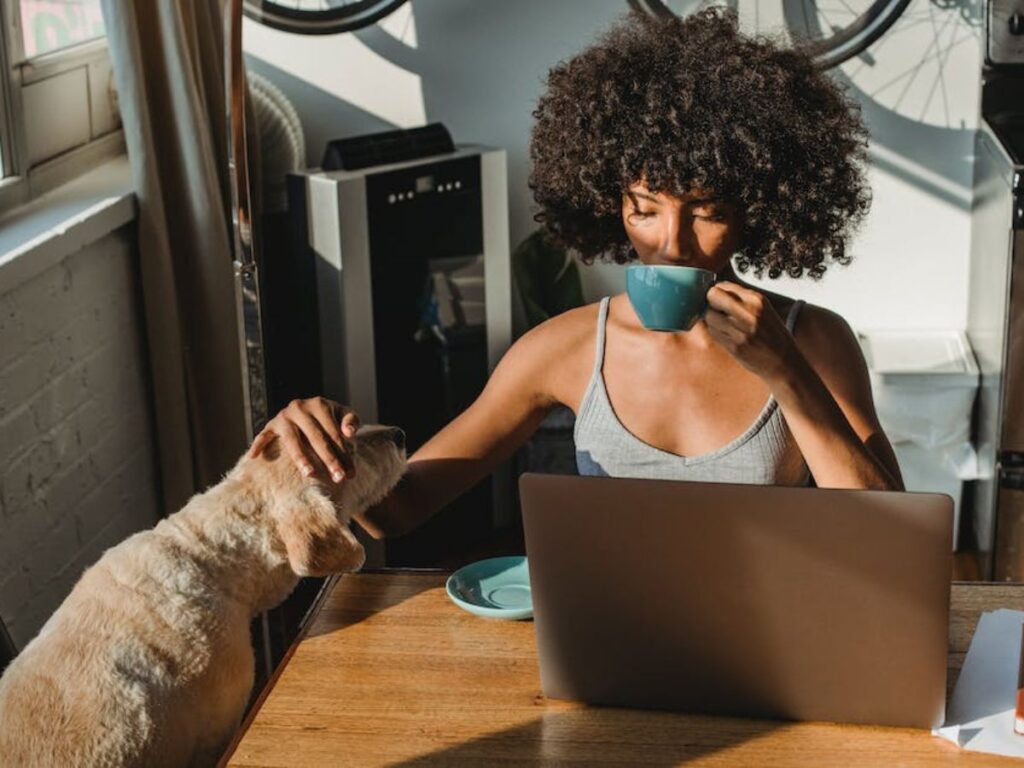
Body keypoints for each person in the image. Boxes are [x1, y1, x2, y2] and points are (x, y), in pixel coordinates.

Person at [248, 9, 903, 541]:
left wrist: (786, 372)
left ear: (758, 212)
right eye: (643, 210)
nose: (670, 244)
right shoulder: (561, 350)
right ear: (608, 201)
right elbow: (396, 510)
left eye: (706, 212)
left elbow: (891, 536)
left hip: (774, 636)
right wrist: (324, 449)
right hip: (610, 638)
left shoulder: (811, 341)